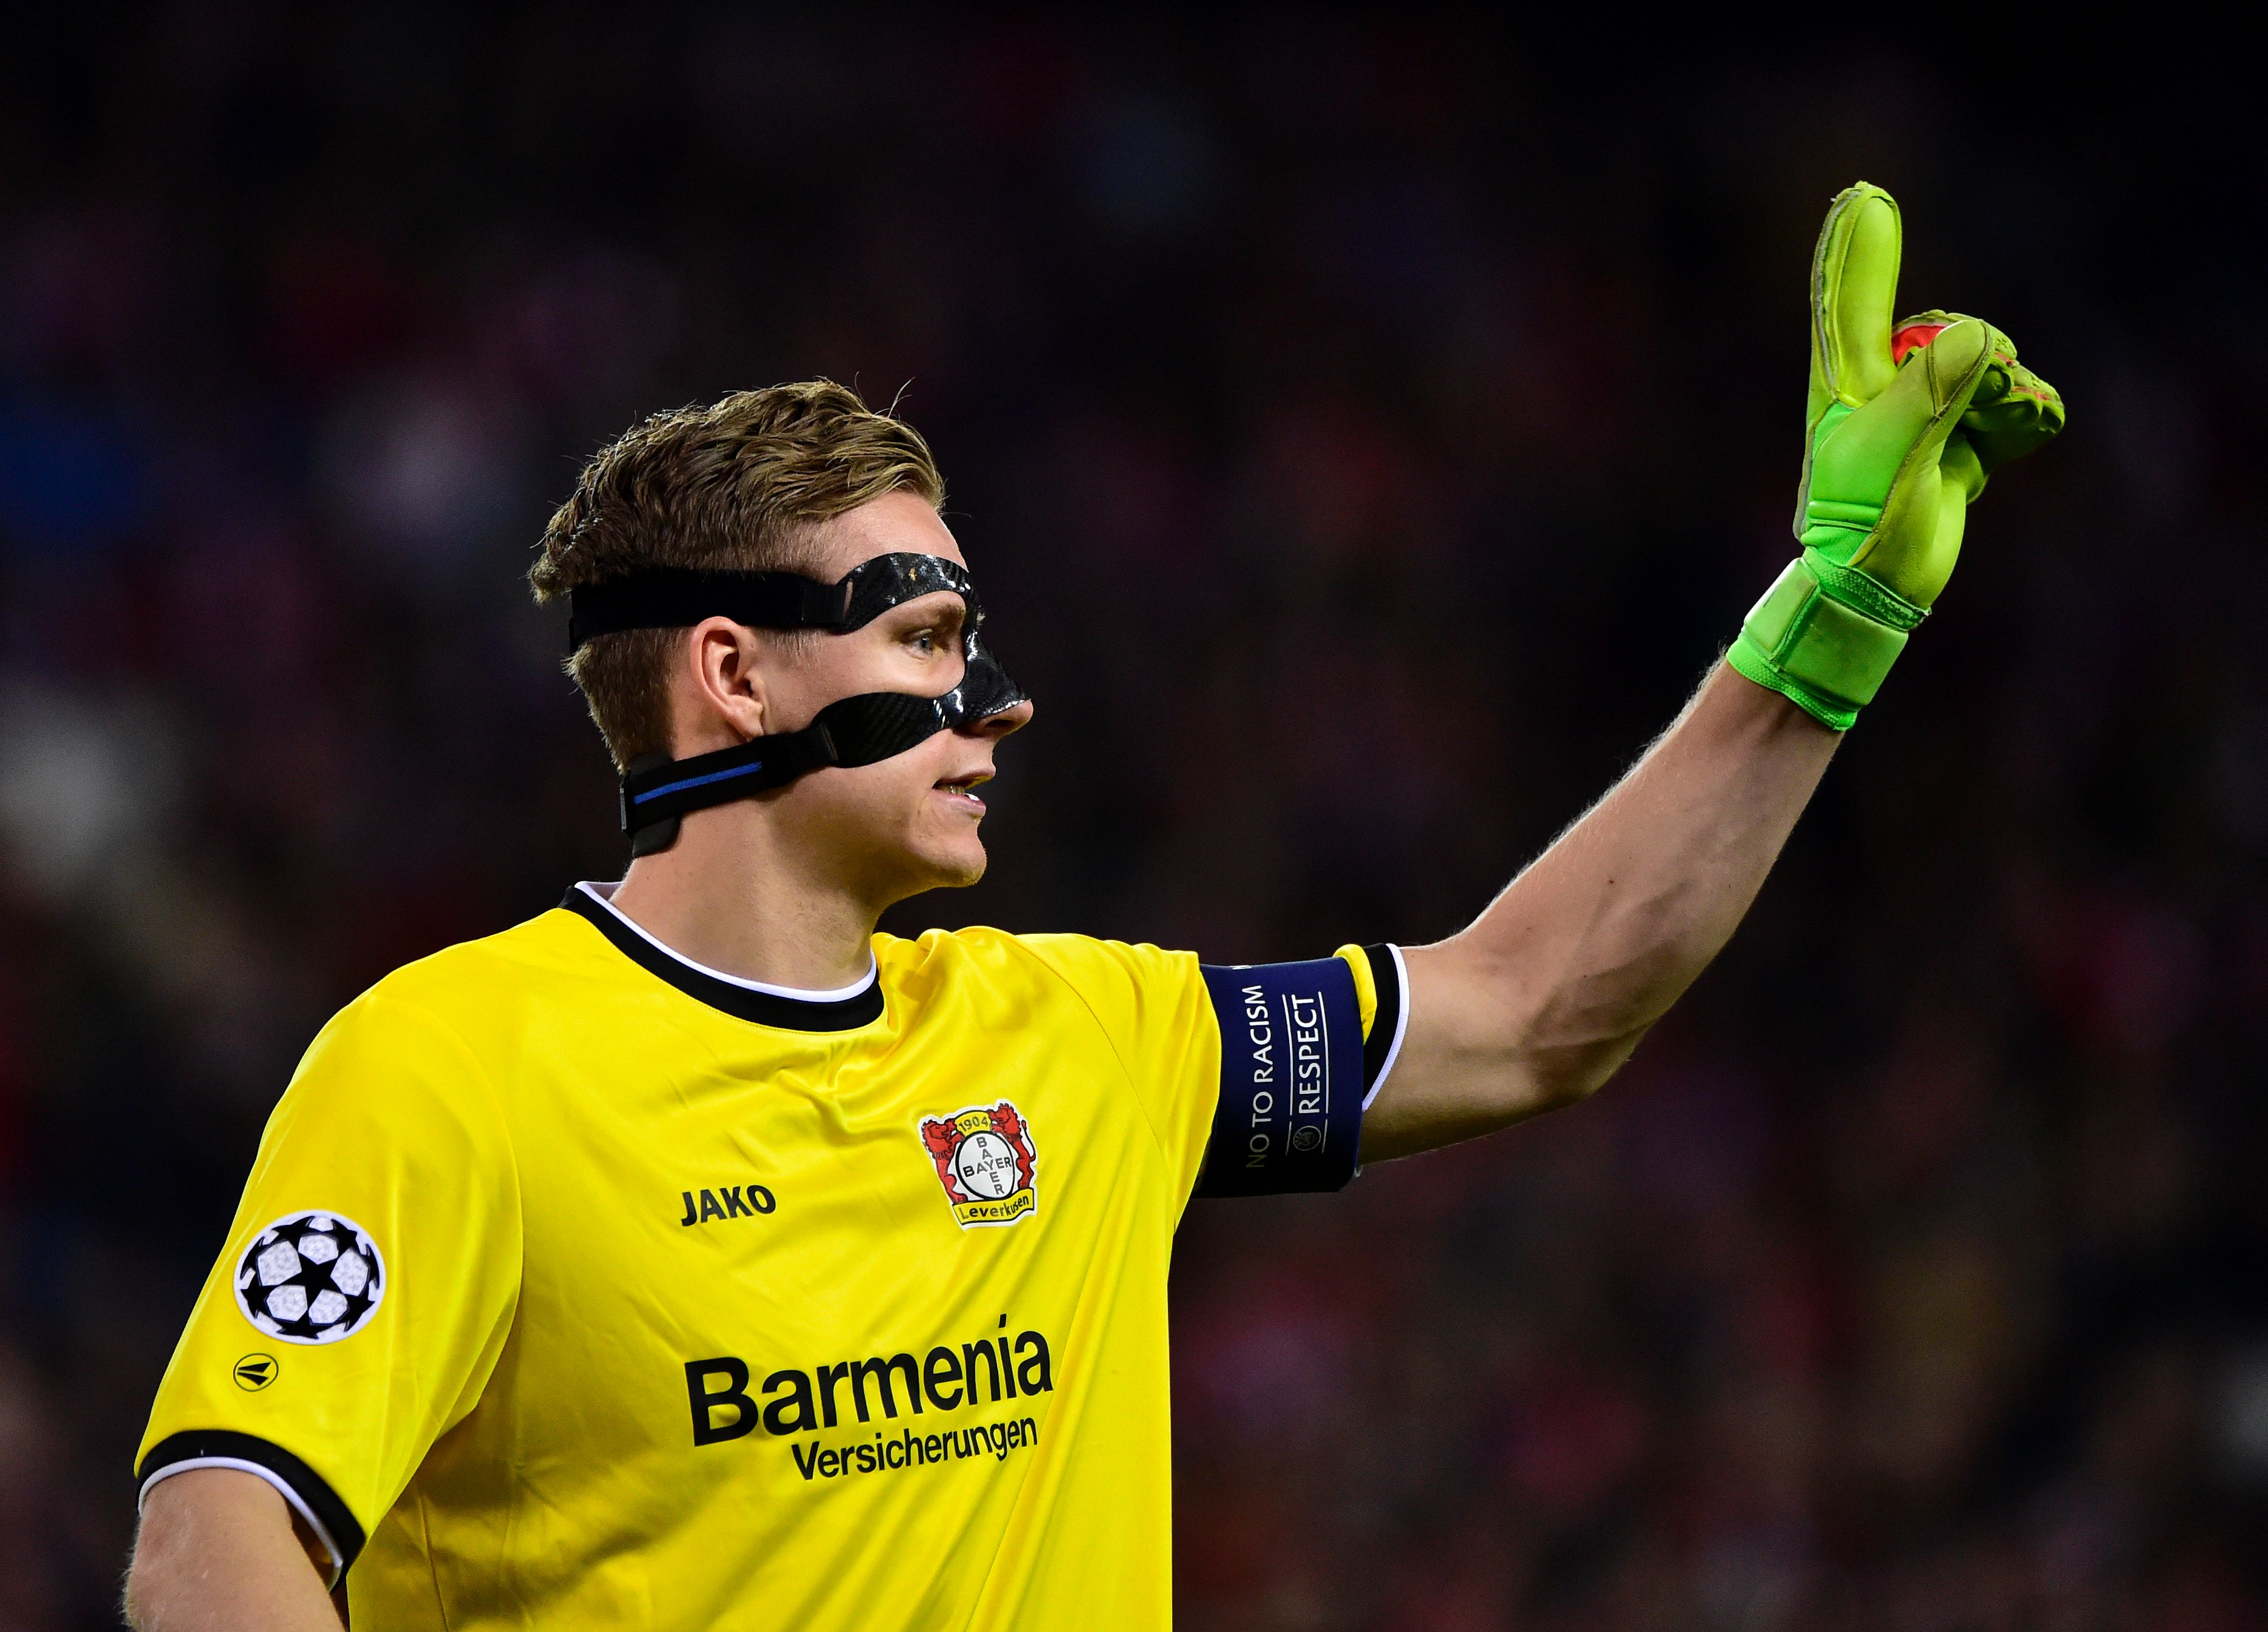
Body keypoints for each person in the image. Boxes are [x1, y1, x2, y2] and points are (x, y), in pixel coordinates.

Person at [122, 183, 2060, 1630]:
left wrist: (1829, 630)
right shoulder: (450, 1070)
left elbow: (1540, 1008)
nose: (994, 698)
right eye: (932, 632)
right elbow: (217, 1537)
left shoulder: (1089, 1043)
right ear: (735, 676)